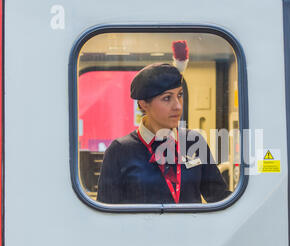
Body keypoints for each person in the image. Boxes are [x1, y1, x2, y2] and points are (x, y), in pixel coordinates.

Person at [97, 63, 231, 204]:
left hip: (190, 226)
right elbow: (107, 210)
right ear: (143, 104)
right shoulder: (120, 150)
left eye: (179, 95)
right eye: (167, 98)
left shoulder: (193, 142)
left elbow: (219, 197)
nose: (178, 106)